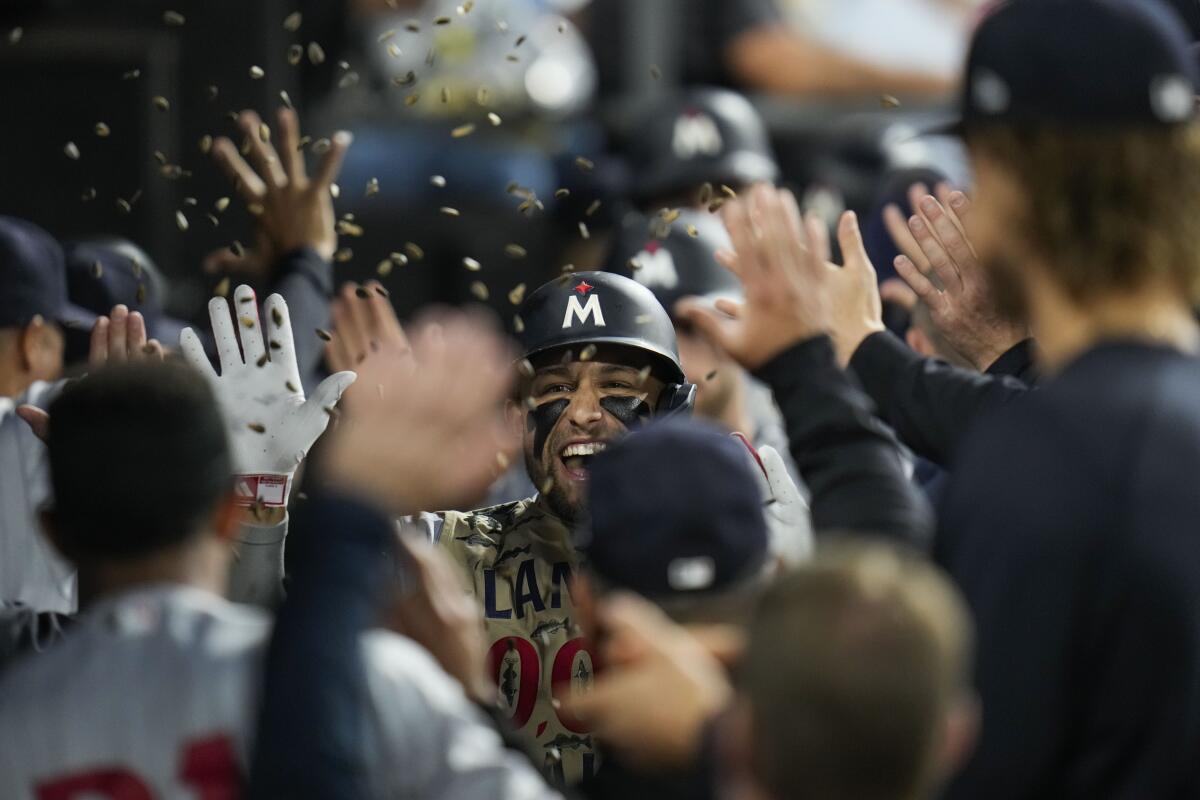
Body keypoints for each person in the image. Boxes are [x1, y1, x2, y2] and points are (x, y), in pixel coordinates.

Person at [712, 0, 1200, 794]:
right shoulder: (1138, 417)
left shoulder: (1045, 464)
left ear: (1013, 177)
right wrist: (848, 359)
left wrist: (713, 738)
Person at [0, 303, 564, 798]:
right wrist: (470, 696)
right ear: (226, 513)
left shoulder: (12, 700)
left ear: (51, 531)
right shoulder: (362, 680)